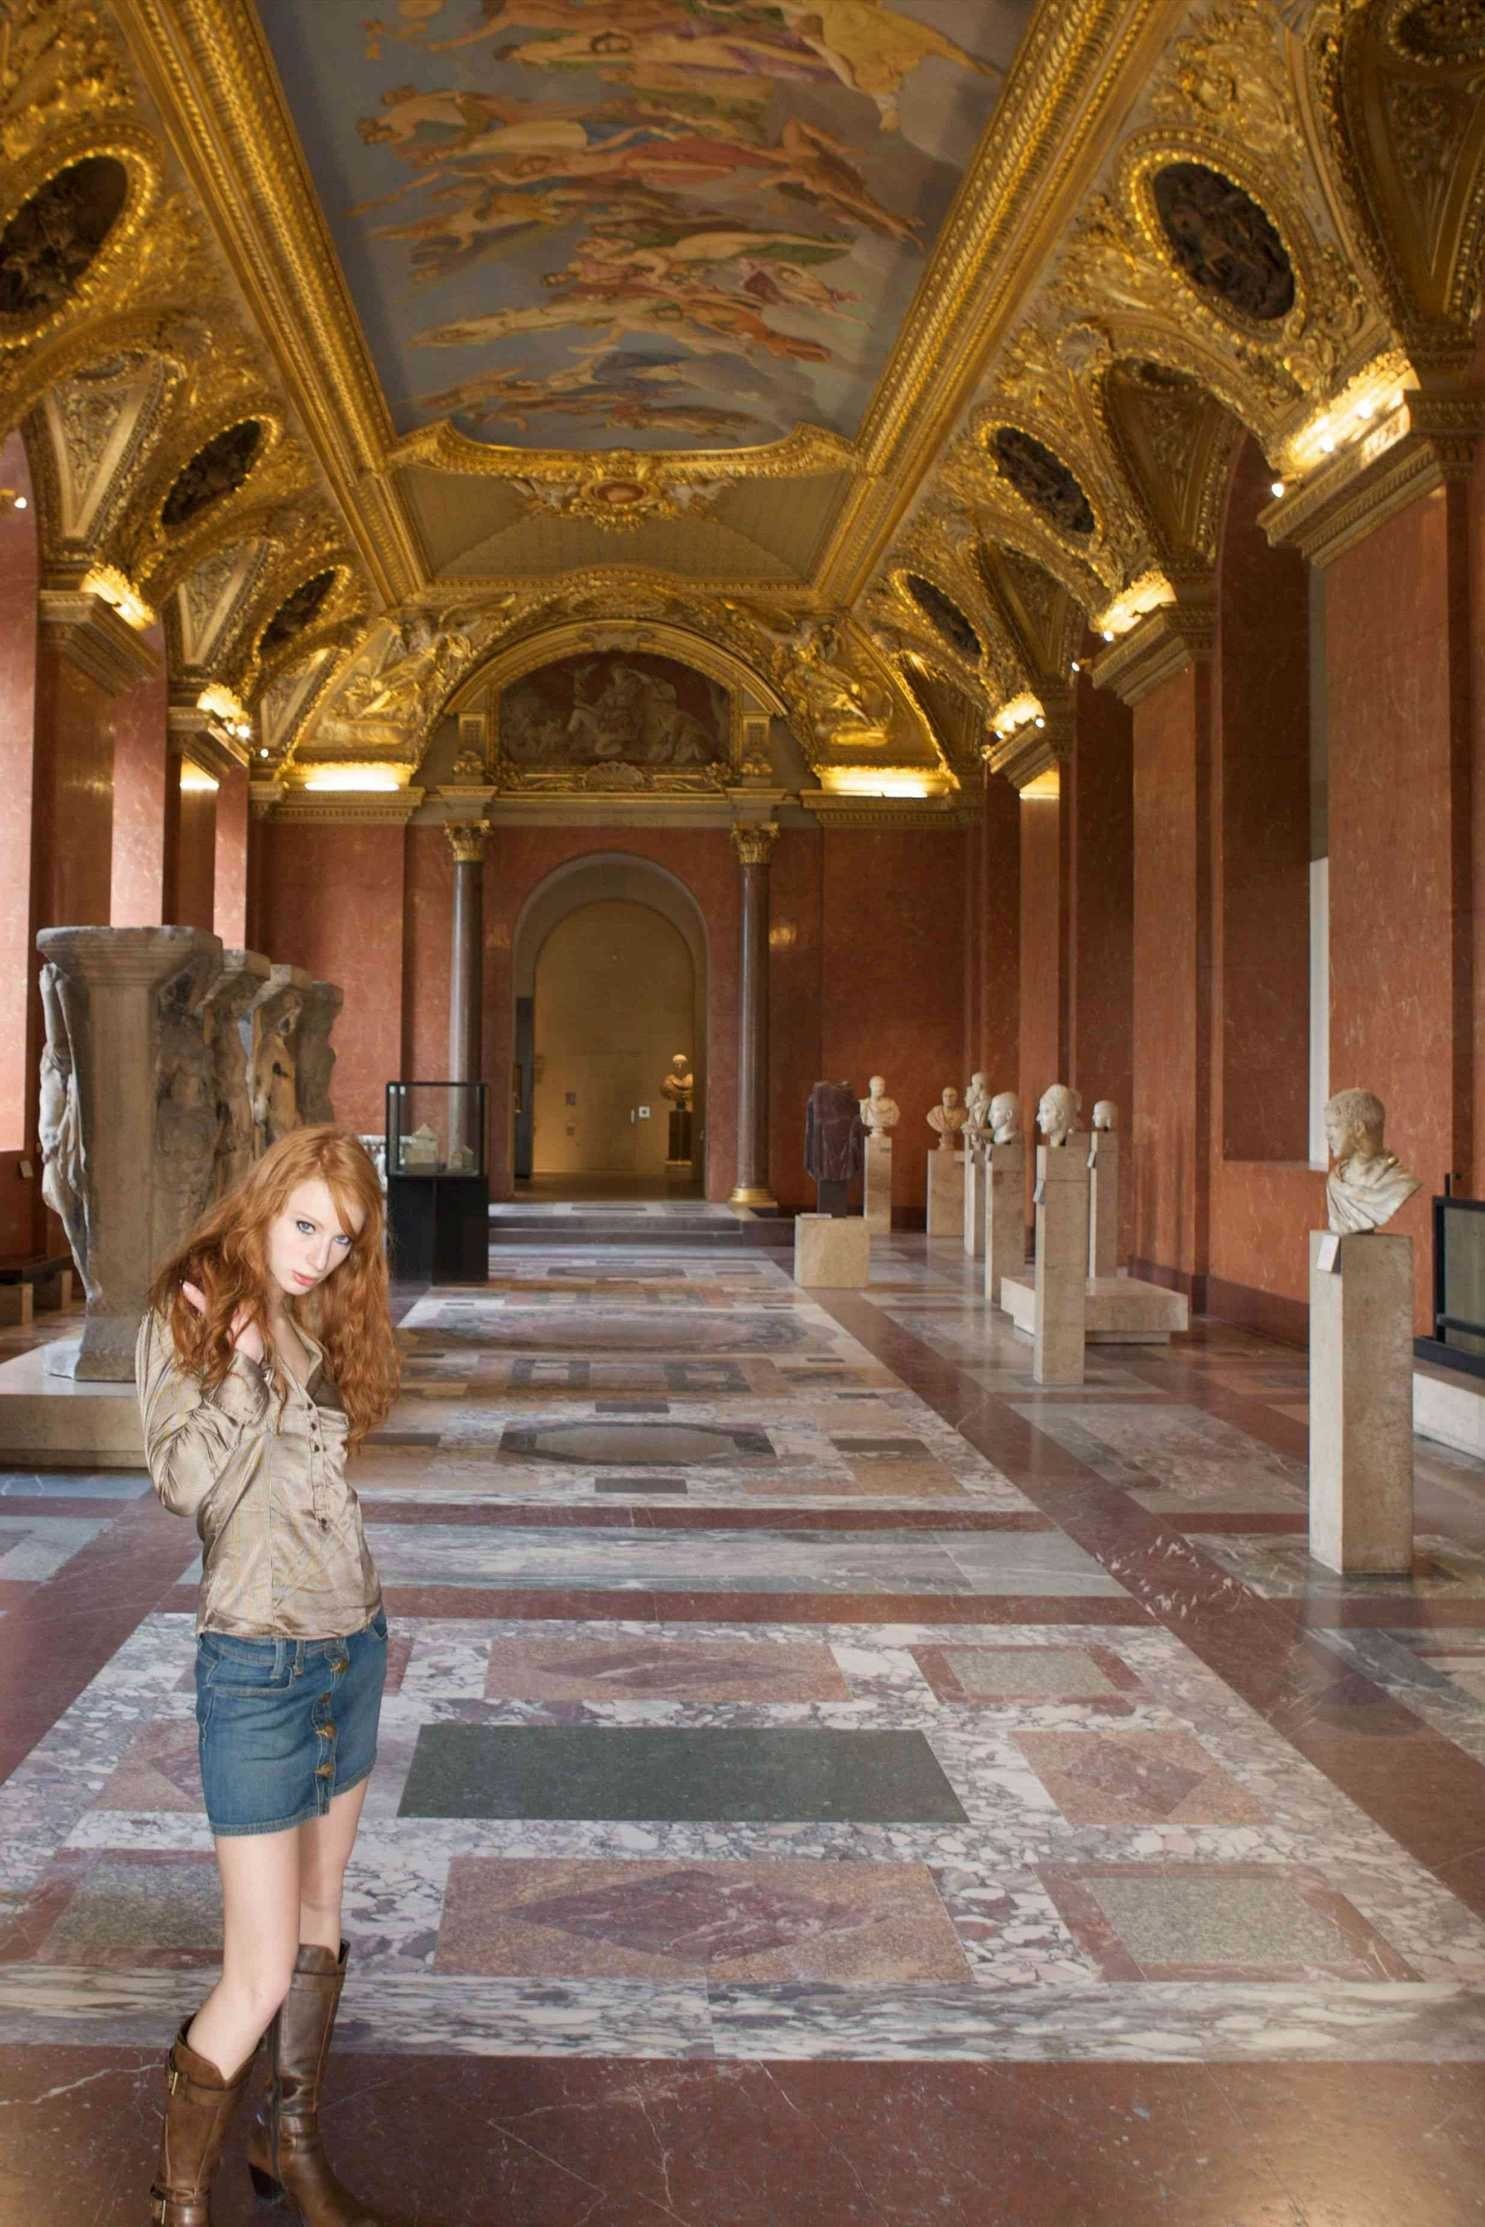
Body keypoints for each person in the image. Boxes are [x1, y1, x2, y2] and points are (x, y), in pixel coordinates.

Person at [136, 1125, 400, 2227]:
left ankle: (288, 2148)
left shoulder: (311, 1310)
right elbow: (180, 1482)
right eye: (303, 1227)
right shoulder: (193, 1305)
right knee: (258, 1971)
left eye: (339, 1241)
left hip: (351, 1645)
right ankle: (178, 2201)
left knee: (319, 1920)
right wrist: (242, 1366)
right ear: (262, 1198)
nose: (317, 1256)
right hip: (256, 1664)